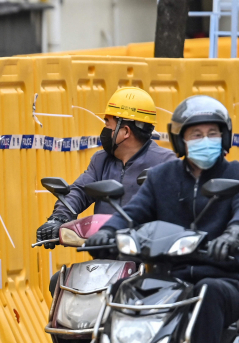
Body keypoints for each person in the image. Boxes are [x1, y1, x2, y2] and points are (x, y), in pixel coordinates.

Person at [85, 95, 239, 343]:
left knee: (209, 291)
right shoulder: (161, 176)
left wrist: (232, 236)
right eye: (196, 135)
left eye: (212, 133)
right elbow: (134, 212)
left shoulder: (235, 175)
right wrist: (107, 232)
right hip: (169, 276)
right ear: (181, 139)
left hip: (226, 279)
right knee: (121, 290)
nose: (205, 140)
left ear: (224, 137)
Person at [36, 87, 175, 249]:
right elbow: (80, 191)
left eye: (108, 123)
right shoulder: (100, 160)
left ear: (125, 131)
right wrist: (58, 219)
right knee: (61, 276)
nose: (105, 129)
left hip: (146, 257)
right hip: (104, 253)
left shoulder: (165, 162)